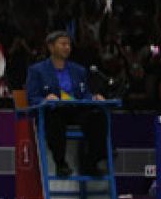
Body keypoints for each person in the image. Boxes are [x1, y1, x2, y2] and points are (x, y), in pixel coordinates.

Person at [24, 31, 108, 177]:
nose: (67, 47)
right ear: (51, 47)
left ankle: (92, 161)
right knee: (55, 120)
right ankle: (61, 163)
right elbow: (32, 97)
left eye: (69, 44)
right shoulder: (37, 70)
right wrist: (45, 99)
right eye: (63, 44)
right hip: (53, 110)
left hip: (75, 110)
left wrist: (94, 97)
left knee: (97, 117)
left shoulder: (78, 70)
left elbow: (84, 94)